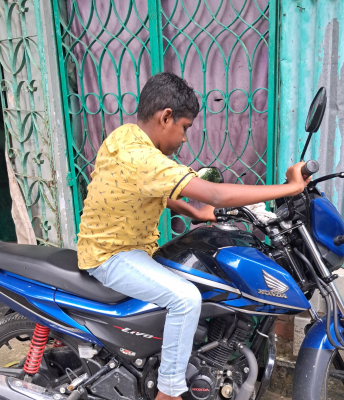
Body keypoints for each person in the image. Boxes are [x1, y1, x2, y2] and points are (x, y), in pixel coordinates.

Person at [77, 72, 310, 400]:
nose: (185, 139)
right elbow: (215, 194)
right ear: (165, 117)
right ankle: (169, 392)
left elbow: (144, 187)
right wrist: (290, 188)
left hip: (121, 248)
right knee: (186, 298)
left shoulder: (124, 137)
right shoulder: (144, 159)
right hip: (112, 257)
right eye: (185, 127)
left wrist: (195, 213)